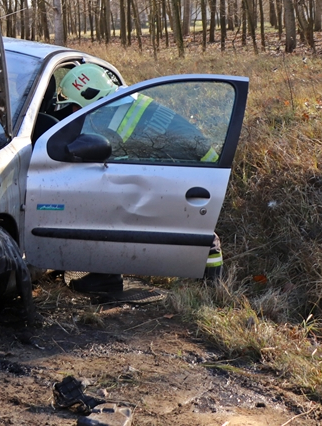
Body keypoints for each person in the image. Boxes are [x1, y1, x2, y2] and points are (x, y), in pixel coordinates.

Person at [55, 63, 224, 294]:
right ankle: (106, 276)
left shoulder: (109, 121)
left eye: (74, 106)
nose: (73, 112)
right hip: (198, 166)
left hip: (193, 171)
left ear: (90, 95)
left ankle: (213, 286)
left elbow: (108, 159)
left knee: (195, 229)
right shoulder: (127, 101)